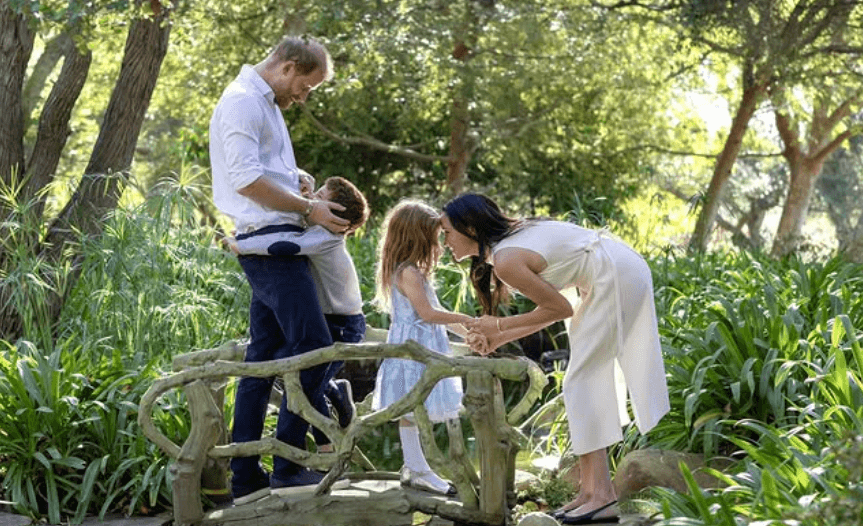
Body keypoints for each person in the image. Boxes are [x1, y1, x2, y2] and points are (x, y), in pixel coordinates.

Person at [440, 193, 670, 525]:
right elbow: (548, 312)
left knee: (581, 380)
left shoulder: (506, 259)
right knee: (584, 380)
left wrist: (499, 326)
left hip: (615, 274)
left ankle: (603, 497)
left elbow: (560, 309)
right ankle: (591, 492)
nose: (444, 241)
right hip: (612, 270)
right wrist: (497, 337)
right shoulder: (506, 249)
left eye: (447, 232)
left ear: (471, 228)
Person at [209, 35, 351, 503]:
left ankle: (246, 478)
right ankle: (289, 463)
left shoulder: (265, 103)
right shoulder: (244, 102)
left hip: (272, 242)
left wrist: (296, 182)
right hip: (271, 249)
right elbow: (245, 180)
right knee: (315, 346)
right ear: (288, 66)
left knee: (263, 359)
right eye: (306, 87)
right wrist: (310, 210)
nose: (303, 97)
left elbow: (263, 172)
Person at [228, 175, 370, 449]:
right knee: (298, 371)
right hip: (332, 319)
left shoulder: (326, 237)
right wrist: (306, 184)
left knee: (303, 373)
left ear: (337, 216)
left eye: (319, 198)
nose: (311, 201)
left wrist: (240, 245)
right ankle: (332, 408)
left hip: (343, 325)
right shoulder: (319, 231)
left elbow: (285, 245)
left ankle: (325, 438)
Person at [370, 200, 471, 496]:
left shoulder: (415, 271)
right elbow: (427, 314)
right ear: (418, 237)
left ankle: (415, 466)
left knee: (414, 409)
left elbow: (436, 312)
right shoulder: (408, 272)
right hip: (413, 351)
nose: (439, 243)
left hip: (421, 347)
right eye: (435, 237)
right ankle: (418, 469)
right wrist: (468, 317)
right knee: (412, 407)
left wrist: (470, 335)